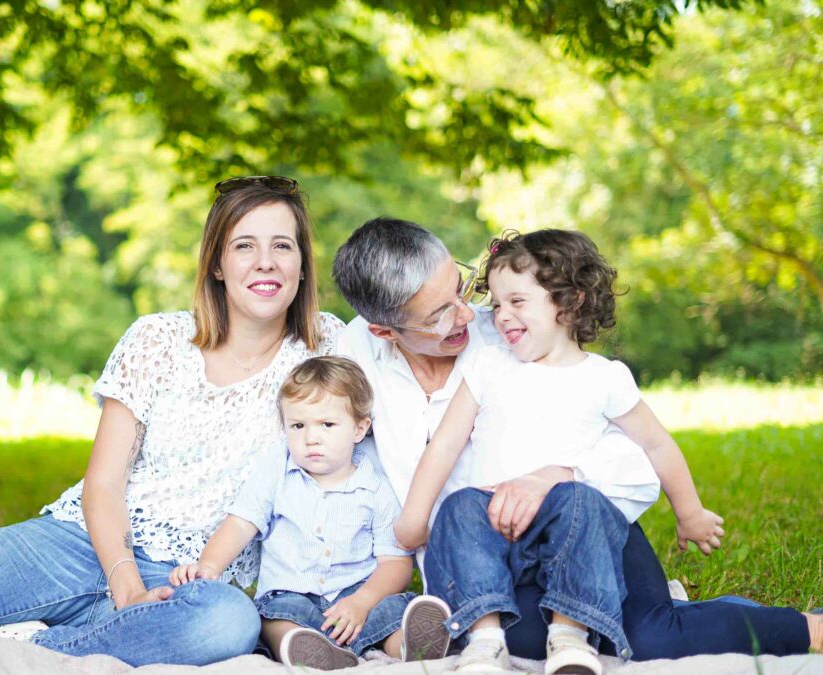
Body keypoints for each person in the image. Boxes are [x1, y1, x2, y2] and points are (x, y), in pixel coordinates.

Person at [0, 176, 346, 671]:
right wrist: (124, 585)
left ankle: (20, 645)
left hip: (192, 579)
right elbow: (103, 482)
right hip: (78, 543)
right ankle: (95, 627)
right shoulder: (157, 340)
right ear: (215, 264)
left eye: (283, 246)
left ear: (303, 266)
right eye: (243, 246)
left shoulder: (332, 350)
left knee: (227, 624)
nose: (265, 262)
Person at [332, 217, 820, 668]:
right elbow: (425, 445)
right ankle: (600, 620)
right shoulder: (357, 356)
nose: (473, 314)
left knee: (650, 639)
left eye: (461, 289)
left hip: (582, 520)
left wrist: (560, 477)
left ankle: (800, 628)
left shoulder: (522, 342)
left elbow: (640, 448)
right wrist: (413, 523)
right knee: (512, 633)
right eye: (440, 314)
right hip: (493, 558)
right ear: (383, 330)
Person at [393, 229, 725, 674]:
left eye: (517, 301)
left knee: (579, 500)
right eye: (496, 303)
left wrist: (690, 513)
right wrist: (415, 517)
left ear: (570, 302)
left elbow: (656, 444)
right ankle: (484, 639)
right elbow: (446, 443)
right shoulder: (489, 365)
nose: (501, 316)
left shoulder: (604, 378)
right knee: (458, 507)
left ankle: (570, 636)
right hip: (498, 526)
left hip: (568, 531)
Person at [169, 356, 453, 669]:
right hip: (292, 594)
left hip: (355, 600)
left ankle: (409, 646)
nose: (311, 437)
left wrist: (362, 601)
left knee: (391, 610)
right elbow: (240, 523)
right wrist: (209, 565)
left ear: (360, 428)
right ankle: (301, 649)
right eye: (298, 425)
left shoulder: (376, 484)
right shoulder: (278, 466)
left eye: (327, 425)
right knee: (271, 617)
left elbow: (395, 563)